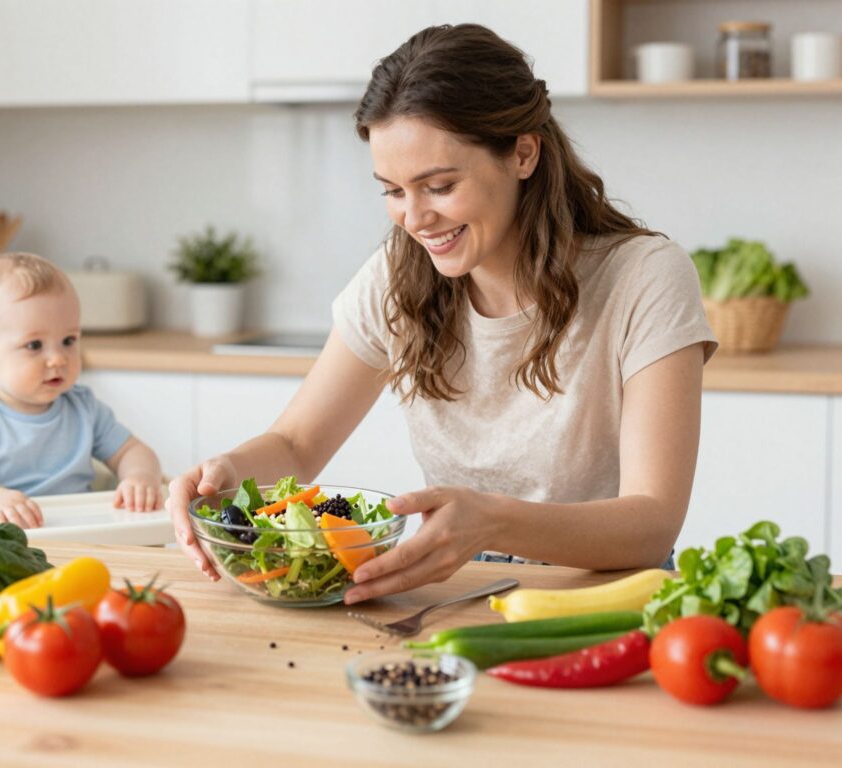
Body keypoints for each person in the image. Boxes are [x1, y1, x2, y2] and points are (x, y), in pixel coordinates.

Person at [167, 24, 716, 604]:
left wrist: (494, 523)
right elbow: (298, 445)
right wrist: (226, 472)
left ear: (523, 153)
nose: (414, 217)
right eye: (393, 190)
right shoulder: (396, 276)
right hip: (457, 592)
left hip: (607, 601)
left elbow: (653, 521)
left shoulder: (644, 276)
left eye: (439, 185)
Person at [0, 252, 164, 528]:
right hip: (5, 539)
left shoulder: (83, 407)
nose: (58, 358)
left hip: (81, 533)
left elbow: (133, 451)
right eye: (35, 345)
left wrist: (139, 478)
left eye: (68, 340)